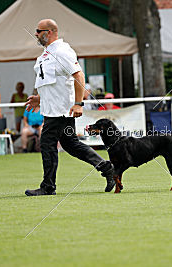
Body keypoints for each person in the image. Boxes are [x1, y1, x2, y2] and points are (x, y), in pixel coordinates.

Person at [24, 19, 115, 196]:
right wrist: (39, 99)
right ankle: (107, 168)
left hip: (60, 110)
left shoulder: (62, 51)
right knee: (71, 144)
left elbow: (79, 76)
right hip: (53, 108)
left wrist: (79, 103)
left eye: (38, 30)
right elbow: (51, 84)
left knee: (47, 143)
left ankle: (48, 187)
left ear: (48, 32)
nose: (35, 34)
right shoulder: (46, 54)